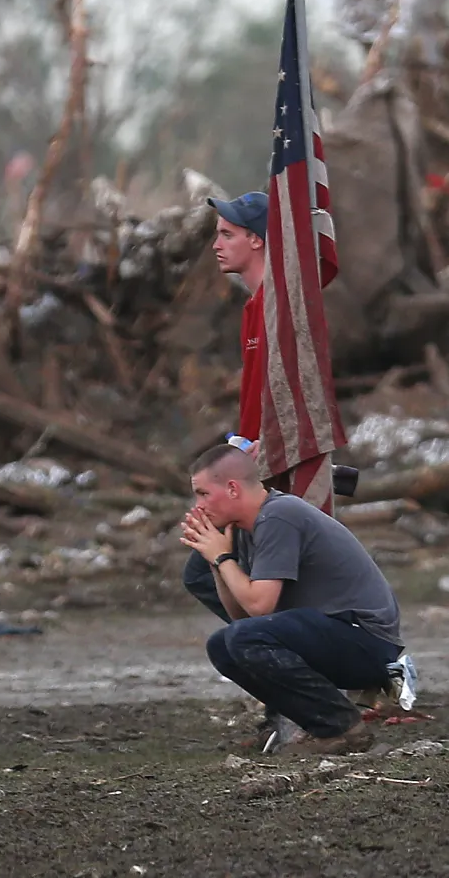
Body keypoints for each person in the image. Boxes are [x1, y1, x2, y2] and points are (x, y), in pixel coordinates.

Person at [180, 444, 404, 755]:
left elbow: (259, 607)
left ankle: (341, 727)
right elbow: (244, 618)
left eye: (203, 493)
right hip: (329, 634)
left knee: (242, 638)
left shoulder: (278, 516)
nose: (198, 505)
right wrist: (218, 560)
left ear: (232, 489)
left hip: (367, 642)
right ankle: (330, 727)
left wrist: (221, 558)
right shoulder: (245, 529)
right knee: (222, 645)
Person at [182, 191, 268, 622]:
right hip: (248, 464)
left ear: (256, 240)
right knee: (204, 572)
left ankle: (279, 663)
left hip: (265, 472)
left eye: (227, 234)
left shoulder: (281, 307)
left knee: (213, 573)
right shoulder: (254, 306)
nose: (216, 244)